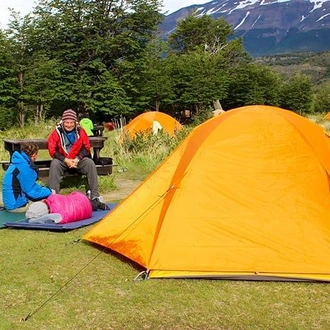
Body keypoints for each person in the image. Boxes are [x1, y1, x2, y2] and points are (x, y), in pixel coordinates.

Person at [47, 108, 103, 203]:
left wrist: (77, 159)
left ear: (75, 122)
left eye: (71, 122)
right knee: (54, 164)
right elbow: (52, 150)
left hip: (78, 160)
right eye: (67, 122)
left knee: (90, 163)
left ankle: (95, 195)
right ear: (63, 122)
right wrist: (65, 160)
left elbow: (86, 148)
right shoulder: (56, 132)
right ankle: (53, 196)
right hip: (63, 160)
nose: (69, 125)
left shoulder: (81, 131)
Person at [2, 143, 54, 212]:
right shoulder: (25, 167)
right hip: (17, 205)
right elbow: (33, 192)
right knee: (48, 204)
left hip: (10, 202)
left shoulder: (18, 161)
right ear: (34, 154)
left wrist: (43, 189)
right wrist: (50, 192)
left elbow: (29, 185)